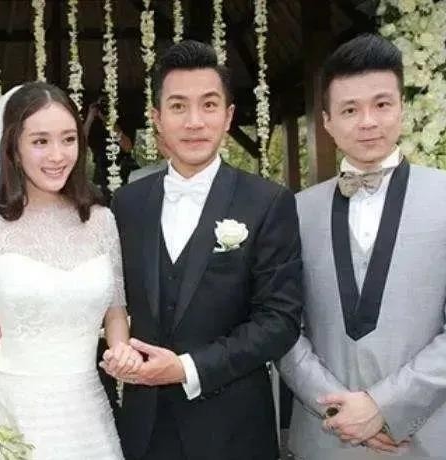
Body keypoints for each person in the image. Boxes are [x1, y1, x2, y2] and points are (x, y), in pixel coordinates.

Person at [104, 40, 303, 460]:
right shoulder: (127, 204)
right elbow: (107, 297)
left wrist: (187, 368)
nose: (194, 121)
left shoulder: (267, 202)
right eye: (178, 106)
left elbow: (279, 321)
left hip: (233, 431)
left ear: (228, 116)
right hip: (144, 431)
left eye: (209, 105)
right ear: (157, 118)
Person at [278, 34, 446, 459]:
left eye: (381, 104)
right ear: (326, 121)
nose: (368, 122)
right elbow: (280, 324)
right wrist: (337, 408)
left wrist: (385, 407)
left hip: (426, 438)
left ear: (402, 108)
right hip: (326, 437)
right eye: (349, 110)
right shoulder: (294, 211)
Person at [0, 82, 139, 459]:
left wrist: (121, 352)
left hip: (87, 416)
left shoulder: (101, 221)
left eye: (68, 139)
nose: (57, 155)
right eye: (40, 141)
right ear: (14, 148)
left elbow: (116, 313)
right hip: (10, 414)